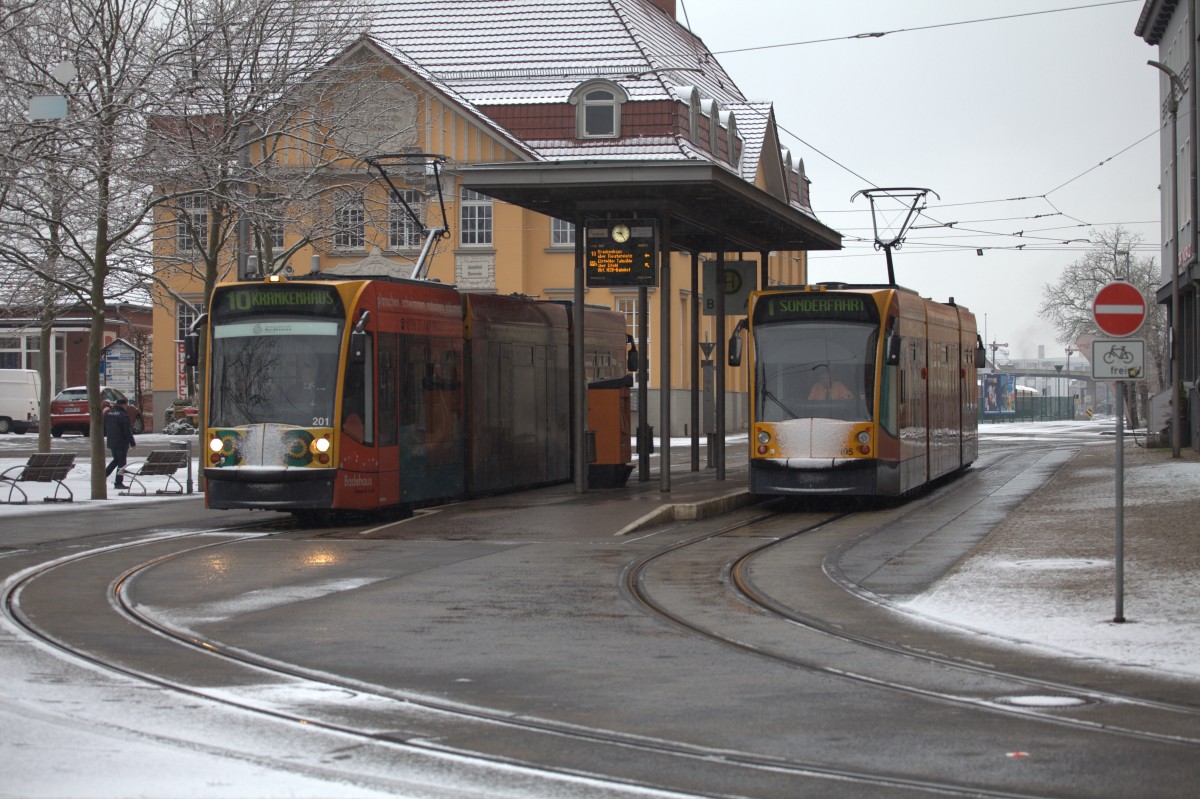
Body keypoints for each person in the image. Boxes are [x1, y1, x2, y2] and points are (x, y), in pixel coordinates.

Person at [104, 397, 136, 488]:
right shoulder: (123, 415)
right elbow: (127, 431)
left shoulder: (109, 413)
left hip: (112, 441)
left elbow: (105, 427)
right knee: (121, 463)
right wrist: (132, 443)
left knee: (116, 460)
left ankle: (103, 476)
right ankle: (118, 482)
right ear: (123, 405)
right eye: (126, 405)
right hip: (121, 442)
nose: (126, 407)